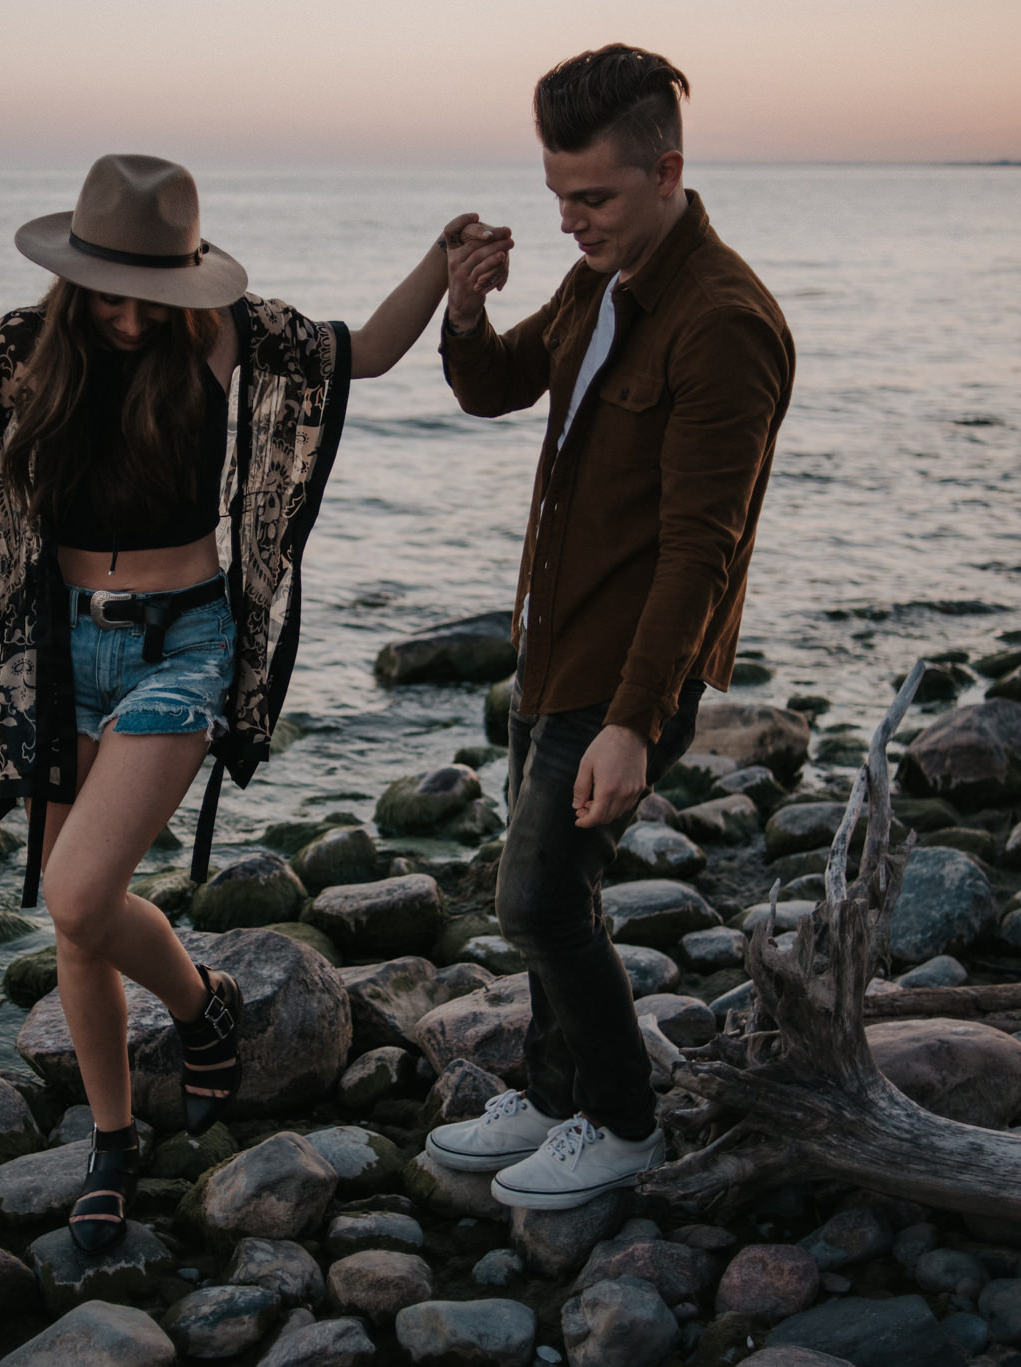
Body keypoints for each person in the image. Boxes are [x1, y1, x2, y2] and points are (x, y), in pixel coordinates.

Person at [0, 153, 507, 1251]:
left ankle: (201, 998)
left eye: (152, 292)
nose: (130, 316)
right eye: (112, 293)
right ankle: (116, 1136)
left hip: (186, 641)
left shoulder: (224, 337)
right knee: (77, 922)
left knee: (75, 893)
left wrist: (437, 262)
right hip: (63, 649)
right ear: (74, 277)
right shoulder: (21, 354)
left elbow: (360, 354)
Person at [425, 45, 795, 1209]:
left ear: (665, 168)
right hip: (551, 645)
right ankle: (548, 1089)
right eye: (555, 195)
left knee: (533, 897)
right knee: (555, 897)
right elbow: (495, 386)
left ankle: (623, 1118)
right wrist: (463, 308)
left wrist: (636, 721)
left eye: (591, 196)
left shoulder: (722, 320)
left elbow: (703, 546)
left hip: (625, 667)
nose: (569, 219)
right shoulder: (600, 281)